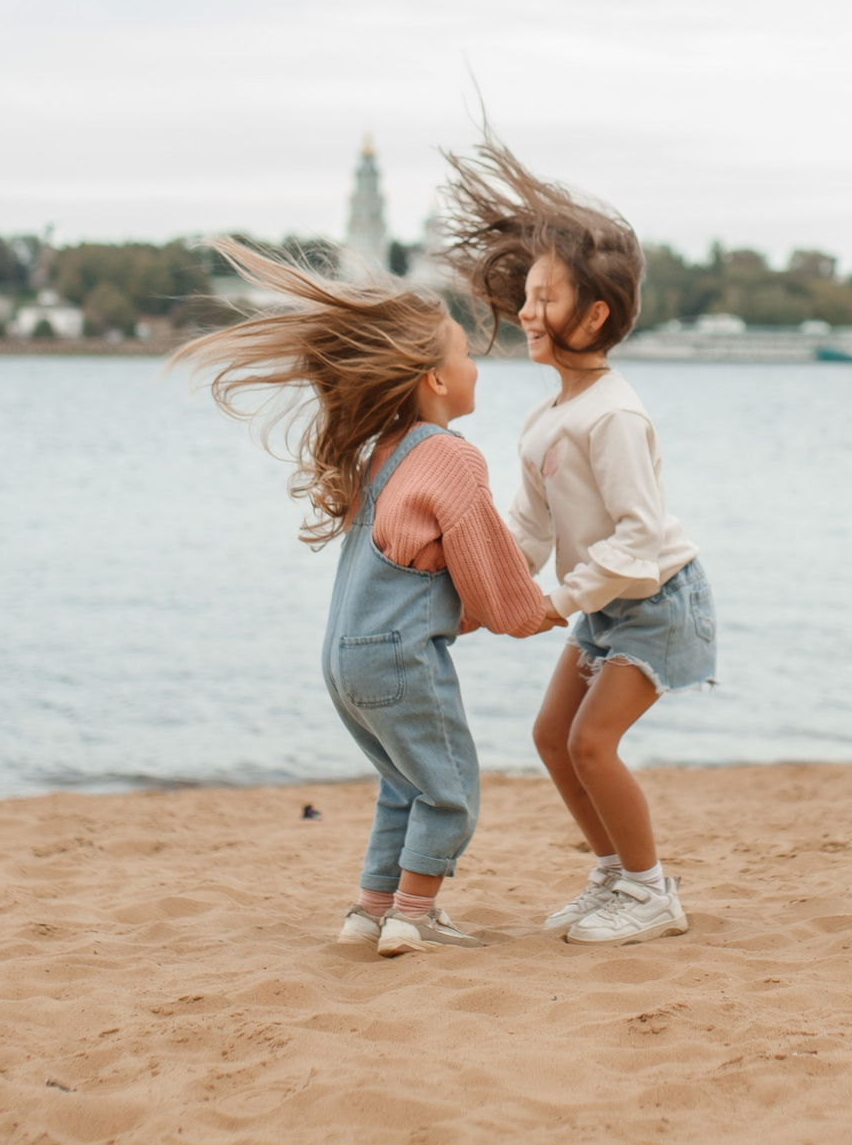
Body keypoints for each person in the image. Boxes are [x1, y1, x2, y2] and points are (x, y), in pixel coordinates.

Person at [172, 238, 561, 958]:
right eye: (466, 354)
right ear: (436, 381)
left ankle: (369, 910)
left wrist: (489, 608)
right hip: (397, 660)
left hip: (342, 659)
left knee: (402, 784)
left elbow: (435, 573)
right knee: (450, 789)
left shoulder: (383, 453)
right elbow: (488, 569)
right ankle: (413, 919)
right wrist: (539, 608)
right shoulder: (448, 455)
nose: (478, 365)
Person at [438, 140, 715, 946]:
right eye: (524, 296)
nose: (525, 312)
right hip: (606, 602)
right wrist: (485, 595)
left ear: (593, 316)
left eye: (544, 298)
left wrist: (556, 600)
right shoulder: (546, 418)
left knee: (593, 743)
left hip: (657, 601)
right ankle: (611, 874)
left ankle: (650, 889)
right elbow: (528, 527)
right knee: (550, 739)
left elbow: (637, 536)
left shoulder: (614, 415)